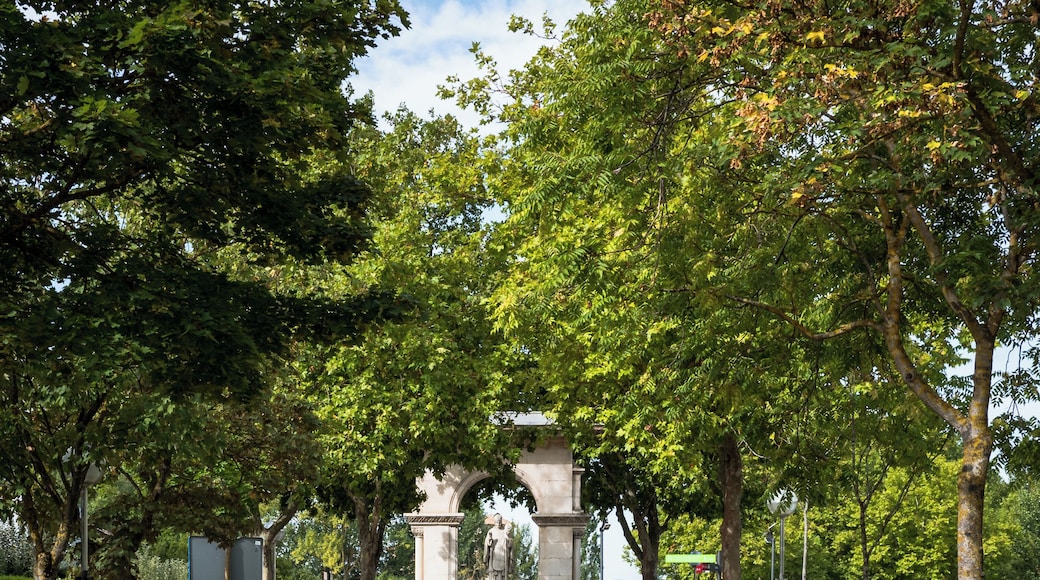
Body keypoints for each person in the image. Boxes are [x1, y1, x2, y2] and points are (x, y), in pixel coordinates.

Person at [483, 513, 513, 580]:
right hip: (493, 558)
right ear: (494, 522)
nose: (498, 523)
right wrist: (489, 540)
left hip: (504, 559)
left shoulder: (505, 531)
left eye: (499, 522)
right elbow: (487, 545)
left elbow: (511, 545)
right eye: (497, 522)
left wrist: (508, 539)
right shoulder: (491, 531)